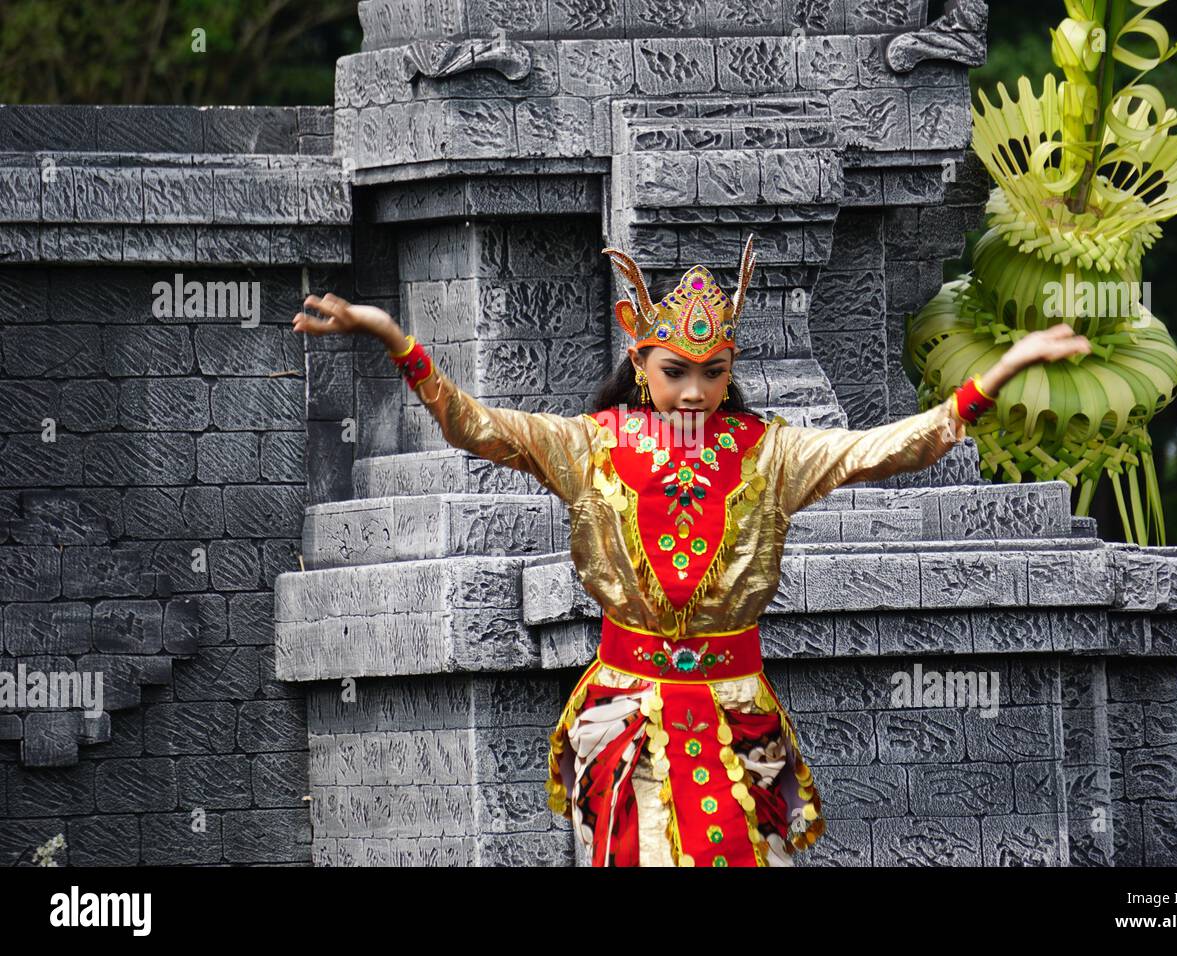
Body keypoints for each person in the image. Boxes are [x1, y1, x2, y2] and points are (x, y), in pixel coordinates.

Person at [292, 235, 1091, 867]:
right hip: (627, 717)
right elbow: (475, 426)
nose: (696, 392)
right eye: (676, 372)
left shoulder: (771, 453)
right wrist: (398, 341)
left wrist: (998, 374)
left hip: (740, 720)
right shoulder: (587, 447)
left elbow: (891, 450)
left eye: (713, 373)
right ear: (640, 365)